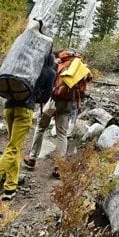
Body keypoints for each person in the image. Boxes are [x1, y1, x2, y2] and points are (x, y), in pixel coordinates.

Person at [0, 42, 54, 201]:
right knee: (12, 149)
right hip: (25, 110)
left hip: (9, 107)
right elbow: (46, 97)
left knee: (15, 147)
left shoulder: (27, 62)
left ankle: (10, 187)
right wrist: (34, 96)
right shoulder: (49, 71)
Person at [23, 49, 84, 177]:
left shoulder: (59, 64)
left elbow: (51, 83)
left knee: (41, 127)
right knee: (62, 133)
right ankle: (59, 167)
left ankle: (32, 158)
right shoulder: (78, 65)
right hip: (68, 103)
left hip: (54, 101)